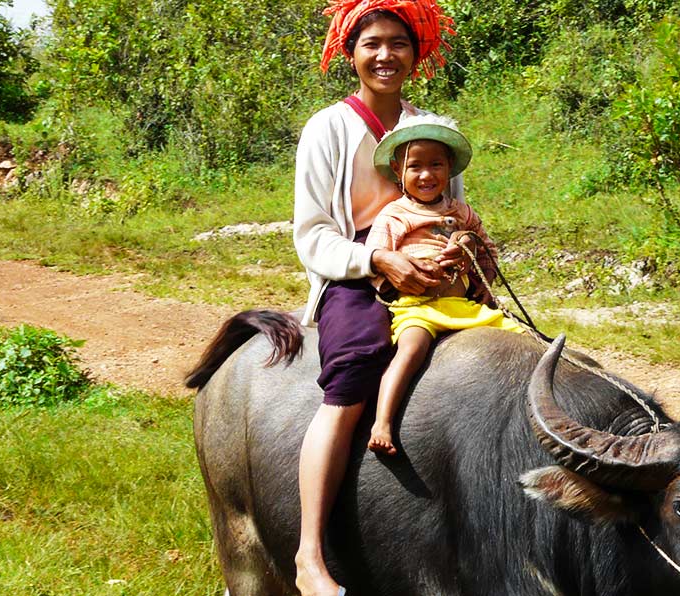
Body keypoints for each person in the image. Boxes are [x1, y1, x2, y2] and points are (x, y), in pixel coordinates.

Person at [291, 1, 456, 595]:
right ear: (350, 53)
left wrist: (456, 256)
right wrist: (376, 259)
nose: (386, 55)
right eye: (372, 44)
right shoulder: (328, 127)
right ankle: (309, 554)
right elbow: (311, 235)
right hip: (357, 271)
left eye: (398, 44)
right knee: (354, 373)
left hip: (432, 265)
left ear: (418, 53)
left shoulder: (434, 127)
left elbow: (448, 209)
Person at [364, 114, 524, 455]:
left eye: (436, 164)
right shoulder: (395, 215)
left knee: (521, 339)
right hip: (419, 306)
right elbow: (376, 258)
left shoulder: (464, 213)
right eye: (415, 166)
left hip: (464, 304)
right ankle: (383, 421)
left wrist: (484, 279)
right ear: (398, 171)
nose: (426, 175)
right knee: (411, 350)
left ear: (449, 167)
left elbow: (488, 250)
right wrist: (396, 279)